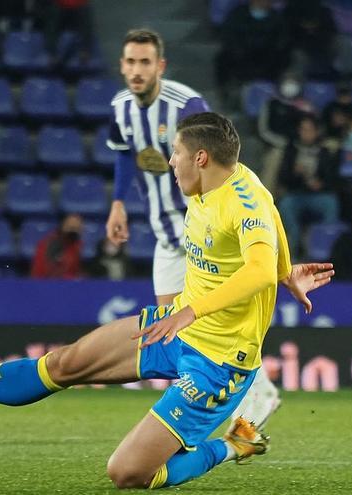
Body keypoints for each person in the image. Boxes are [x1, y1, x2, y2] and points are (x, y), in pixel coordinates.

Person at [0, 112, 334, 489]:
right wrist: (286, 273)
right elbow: (273, 223)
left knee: (129, 473)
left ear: (200, 156)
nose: (170, 162)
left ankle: (235, 443)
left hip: (218, 363)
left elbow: (256, 257)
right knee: (65, 363)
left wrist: (218, 298)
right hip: (174, 326)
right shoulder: (227, 181)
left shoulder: (241, 201)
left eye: (176, 153)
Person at [105, 29, 280, 431]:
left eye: (145, 62)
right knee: (173, 325)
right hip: (167, 236)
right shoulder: (120, 108)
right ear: (121, 65)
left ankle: (252, 396)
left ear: (160, 66)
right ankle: (238, 395)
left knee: (197, 321)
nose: (136, 70)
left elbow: (221, 159)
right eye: (130, 62)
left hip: (207, 233)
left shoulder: (187, 105)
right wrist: (117, 203)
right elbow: (123, 156)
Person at [276, 116, 340, 258]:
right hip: (297, 194)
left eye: (309, 130)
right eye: (303, 130)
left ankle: (326, 249)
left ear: (316, 132)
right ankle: (294, 250)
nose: (306, 133)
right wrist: (295, 173)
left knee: (331, 203)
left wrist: (321, 184)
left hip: (318, 195)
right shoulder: (291, 150)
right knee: (286, 204)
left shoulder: (324, 152)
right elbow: (283, 178)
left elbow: (332, 178)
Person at [30, 213, 84, 279]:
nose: (73, 231)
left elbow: (74, 271)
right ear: (62, 227)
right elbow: (49, 273)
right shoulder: (51, 244)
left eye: (77, 228)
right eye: (71, 227)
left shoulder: (76, 245)